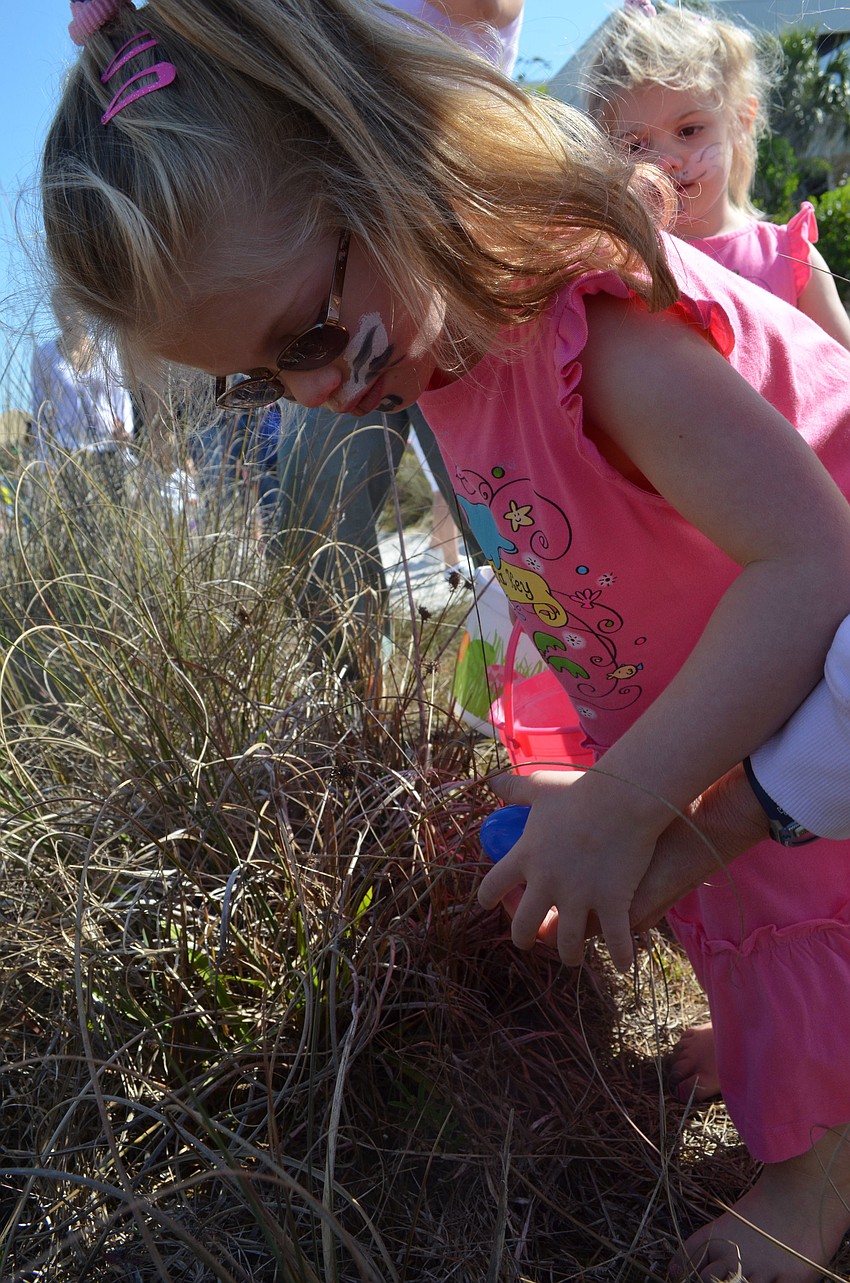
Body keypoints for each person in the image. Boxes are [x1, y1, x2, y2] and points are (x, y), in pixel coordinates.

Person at [41, 2, 850, 1279]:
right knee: (745, 889)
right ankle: (783, 1056)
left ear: (386, 158)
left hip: (815, 680)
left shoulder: (599, 336)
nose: (316, 392)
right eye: (260, 378)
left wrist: (633, 794)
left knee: (806, 886)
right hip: (737, 683)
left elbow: (813, 565)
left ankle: (818, 1174)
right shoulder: (439, 353)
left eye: (309, 336)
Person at [585, 0, 850, 350]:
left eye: (689, 130)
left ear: (740, 121)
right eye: (636, 146)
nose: (666, 161)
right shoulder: (623, 268)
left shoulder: (788, 257)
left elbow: (841, 371)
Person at [31, 289, 134, 467]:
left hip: (109, 449)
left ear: (84, 308)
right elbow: (38, 407)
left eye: (70, 307)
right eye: (59, 309)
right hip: (67, 454)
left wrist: (127, 431)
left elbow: (121, 397)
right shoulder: (45, 355)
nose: (65, 316)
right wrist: (43, 457)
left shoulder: (107, 350)